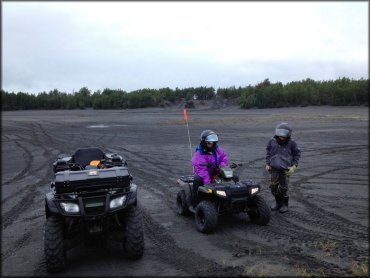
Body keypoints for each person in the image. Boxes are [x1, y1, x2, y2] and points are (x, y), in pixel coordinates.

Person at [265, 122, 301, 213]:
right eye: (280, 134)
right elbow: (268, 152)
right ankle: (278, 203)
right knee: (273, 187)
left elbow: (297, 154)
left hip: (285, 169)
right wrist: (268, 163)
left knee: (284, 188)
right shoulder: (272, 141)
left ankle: (285, 205)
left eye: (283, 135)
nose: (281, 137)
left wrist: (294, 166)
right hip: (274, 168)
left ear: (288, 134)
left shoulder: (292, 143)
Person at [191, 130, 229, 204]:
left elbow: (224, 157)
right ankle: (195, 201)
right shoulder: (199, 154)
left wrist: (222, 166)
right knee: (197, 179)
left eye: (213, 142)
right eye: (209, 143)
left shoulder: (216, 149)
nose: (212, 144)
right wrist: (209, 186)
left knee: (228, 176)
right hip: (203, 175)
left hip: (215, 171)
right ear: (204, 142)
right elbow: (203, 172)